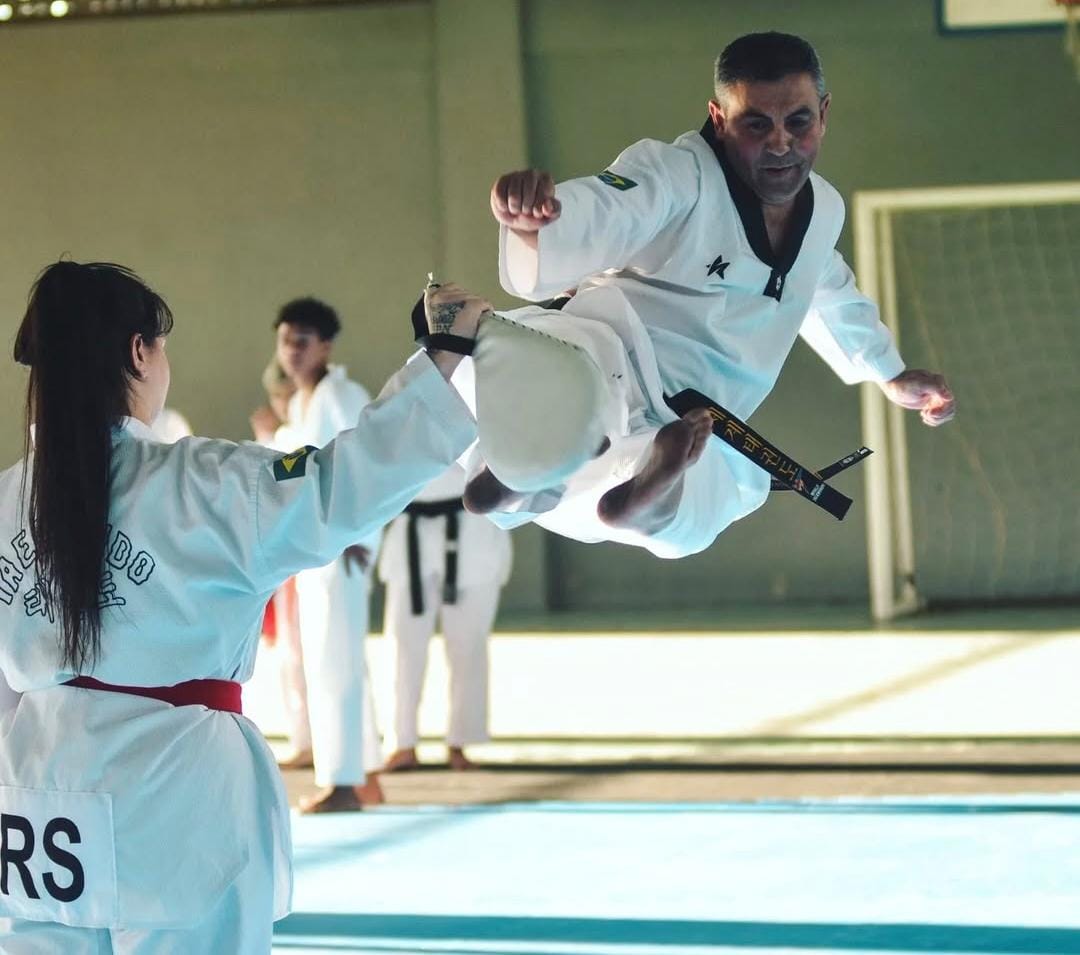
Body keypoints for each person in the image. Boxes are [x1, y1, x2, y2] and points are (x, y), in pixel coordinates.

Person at [0, 260, 480, 951]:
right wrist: (444, 355)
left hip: (35, 807)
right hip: (175, 787)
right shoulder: (200, 484)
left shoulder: (9, 499)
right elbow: (344, 483)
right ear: (139, 351)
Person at [441, 31, 955, 560]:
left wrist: (887, 371)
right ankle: (527, 477)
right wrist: (533, 224)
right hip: (607, 357)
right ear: (718, 117)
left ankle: (610, 493)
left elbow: (829, 291)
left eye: (798, 121)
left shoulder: (823, 210)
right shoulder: (676, 173)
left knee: (711, 499)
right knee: (550, 393)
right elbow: (610, 204)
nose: (781, 143)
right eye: (756, 123)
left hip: (695, 420)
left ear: (823, 113)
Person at [250, 297, 385, 813]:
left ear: (325, 345)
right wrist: (271, 435)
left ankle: (345, 782)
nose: (291, 351)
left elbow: (365, 463)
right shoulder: (304, 403)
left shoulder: (341, 395)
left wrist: (356, 531)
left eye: (302, 342)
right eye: (285, 341)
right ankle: (364, 775)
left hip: (341, 543)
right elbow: (291, 464)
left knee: (335, 661)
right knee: (332, 659)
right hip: (314, 544)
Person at [378, 463, 512, 772]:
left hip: (472, 523)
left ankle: (460, 741)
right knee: (401, 644)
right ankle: (402, 741)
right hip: (411, 525)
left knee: (468, 646)